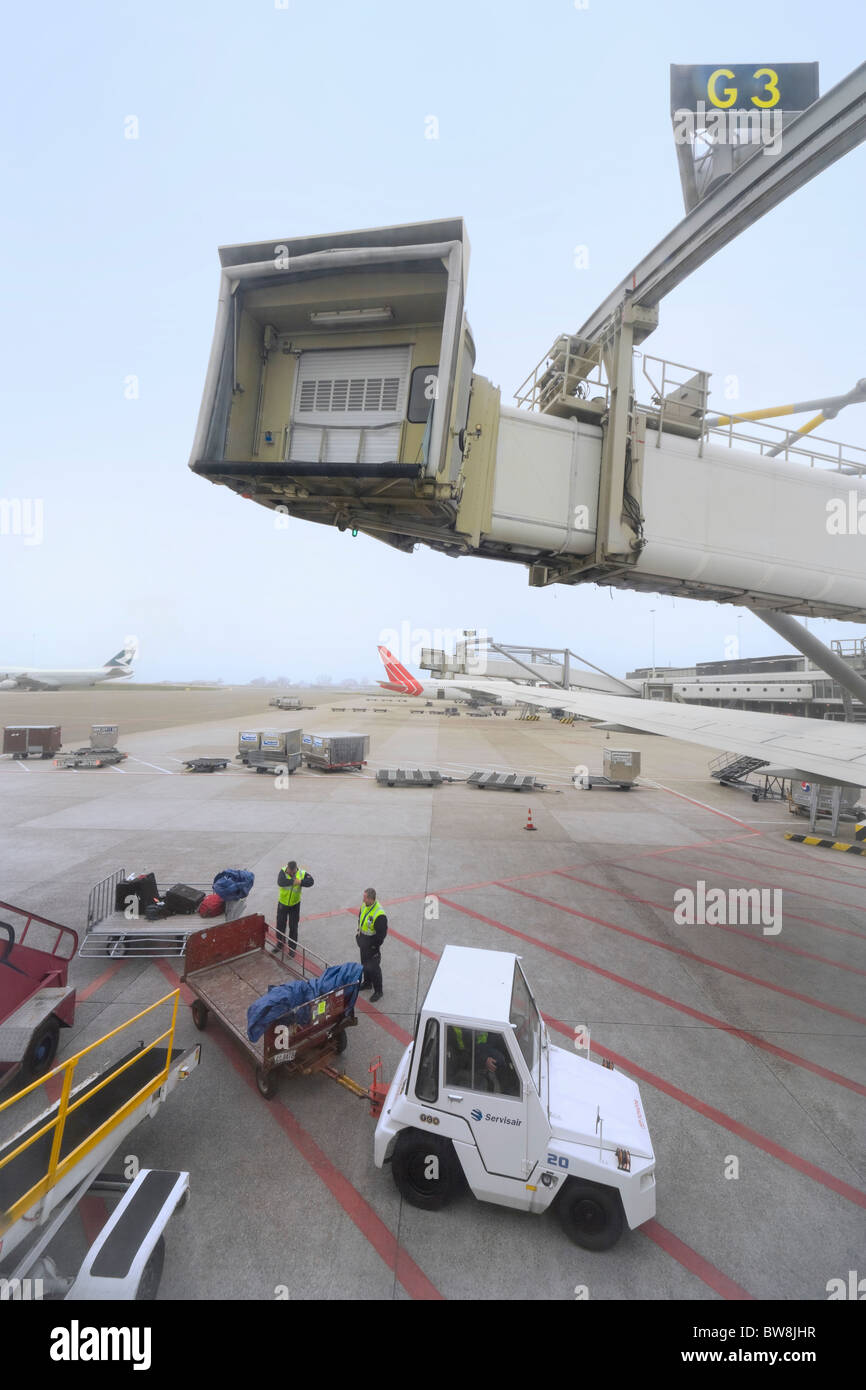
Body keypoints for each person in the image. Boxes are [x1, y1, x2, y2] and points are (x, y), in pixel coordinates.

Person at [274, 860, 314, 956]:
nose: (290, 873)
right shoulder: (283, 871)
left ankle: (292, 948)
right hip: (282, 904)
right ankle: (280, 943)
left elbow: (311, 882)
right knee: (280, 924)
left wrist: (300, 882)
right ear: (287, 868)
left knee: (293, 926)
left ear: (295, 869)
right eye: (289, 871)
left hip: (295, 905)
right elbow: (281, 882)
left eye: (292, 872)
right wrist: (293, 881)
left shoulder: (302, 873)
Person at [355, 887, 387, 1003]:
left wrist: (373, 946)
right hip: (363, 942)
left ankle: (378, 991)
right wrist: (358, 935)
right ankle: (367, 983)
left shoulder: (379, 914)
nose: (363, 900)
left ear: (371, 899)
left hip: (372, 946)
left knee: (374, 968)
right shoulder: (364, 905)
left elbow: (381, 935)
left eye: (365, 898)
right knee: (364, 964)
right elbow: (360, 919)